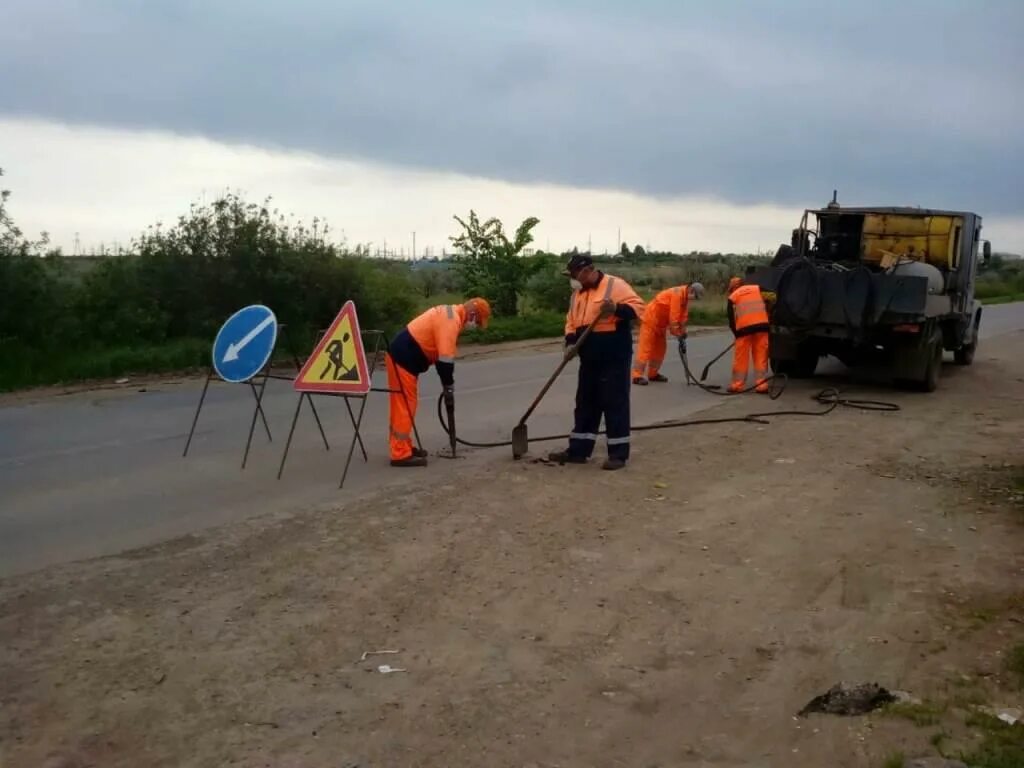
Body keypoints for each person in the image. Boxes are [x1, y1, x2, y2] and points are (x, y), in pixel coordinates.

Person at [548, 254, 646, 470]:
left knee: (615, 402)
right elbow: (571, 322)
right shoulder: (577, 295)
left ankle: (618, 454)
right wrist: (571, 342)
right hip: (589, 355)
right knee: (585, 403)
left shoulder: (615, 285)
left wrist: (615, 310)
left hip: (614, 354)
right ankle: (578, 450)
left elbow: (639, 308)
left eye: (574, 274)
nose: (573, 279)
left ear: (588, 270)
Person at [386, 298, 491, 467]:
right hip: (402, 358)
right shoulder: (451, 320)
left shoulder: (451, 314)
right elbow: (445, 361)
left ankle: (403, 446)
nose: (475, 326)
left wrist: (447, 383)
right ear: (472, 314)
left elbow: (443, 358)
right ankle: (399, 453)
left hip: (404, 357)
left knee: (406, 404)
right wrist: (448, 386)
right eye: (477, 322)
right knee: (405, 405)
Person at [632, 281, 705, 384]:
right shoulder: (677, 294)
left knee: (660, 350)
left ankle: (653, 374)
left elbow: (683, 317)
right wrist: (677, 333)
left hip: (661, 325)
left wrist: (683, 332)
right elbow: (674, 318)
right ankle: (637, 376)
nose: (695, 300)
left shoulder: (684, 298)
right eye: (696, 297)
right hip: (651, 321)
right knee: (645, 349)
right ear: (691, 291)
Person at [726, 276, 770, 393]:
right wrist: (768, 309)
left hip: (743, 331)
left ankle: (737, 385)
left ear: (732, 288)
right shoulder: (757, 288)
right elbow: (773, 296)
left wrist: (736, 334)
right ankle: (761, 385)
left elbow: (731, 320)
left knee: (741, 359)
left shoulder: (733, 297)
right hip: (762, 327)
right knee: (760, 356)